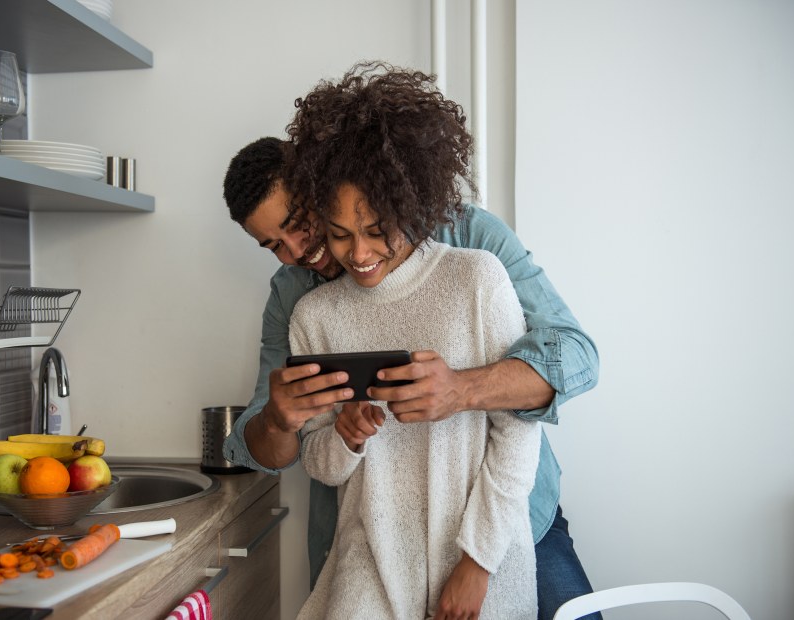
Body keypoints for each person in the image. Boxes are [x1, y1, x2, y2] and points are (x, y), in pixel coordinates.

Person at [222, 81, 601, 620]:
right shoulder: (296, 301)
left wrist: (462, 390)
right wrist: (281, 422)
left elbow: (574, 355)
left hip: (509, 513)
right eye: (273, 246)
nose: (297, 252)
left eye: (299, 226)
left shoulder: (472, 247)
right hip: (370, 544)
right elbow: (280, 447)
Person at [285, 60, 543, 616]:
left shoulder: (477, 280)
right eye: (339, 235)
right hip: (370, 557)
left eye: (377, 231)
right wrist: (348, 438)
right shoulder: (314, 315)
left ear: (411, 204)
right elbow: (319, 463)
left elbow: (519, 434)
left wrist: (476, 564)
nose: (357, 254)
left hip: (482, 553)